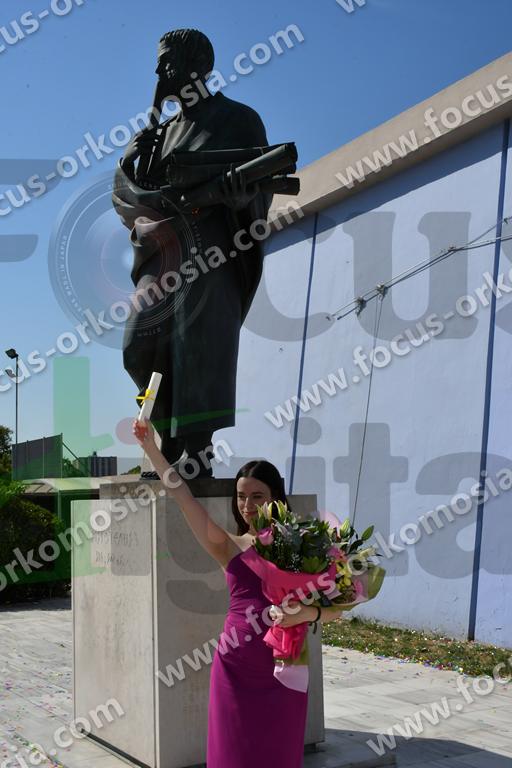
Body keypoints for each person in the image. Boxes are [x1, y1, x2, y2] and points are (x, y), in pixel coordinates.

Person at [132, 417, 344, 768]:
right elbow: (183, 496)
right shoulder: (227, 545)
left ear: (276, 498)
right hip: (236, 667)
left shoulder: (306, 549)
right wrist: (151, 449)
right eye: (241, 496)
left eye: (257, 496)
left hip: (286, 666)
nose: (247, 505)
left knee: (279, 755)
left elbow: (338, 608)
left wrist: (306, 614)